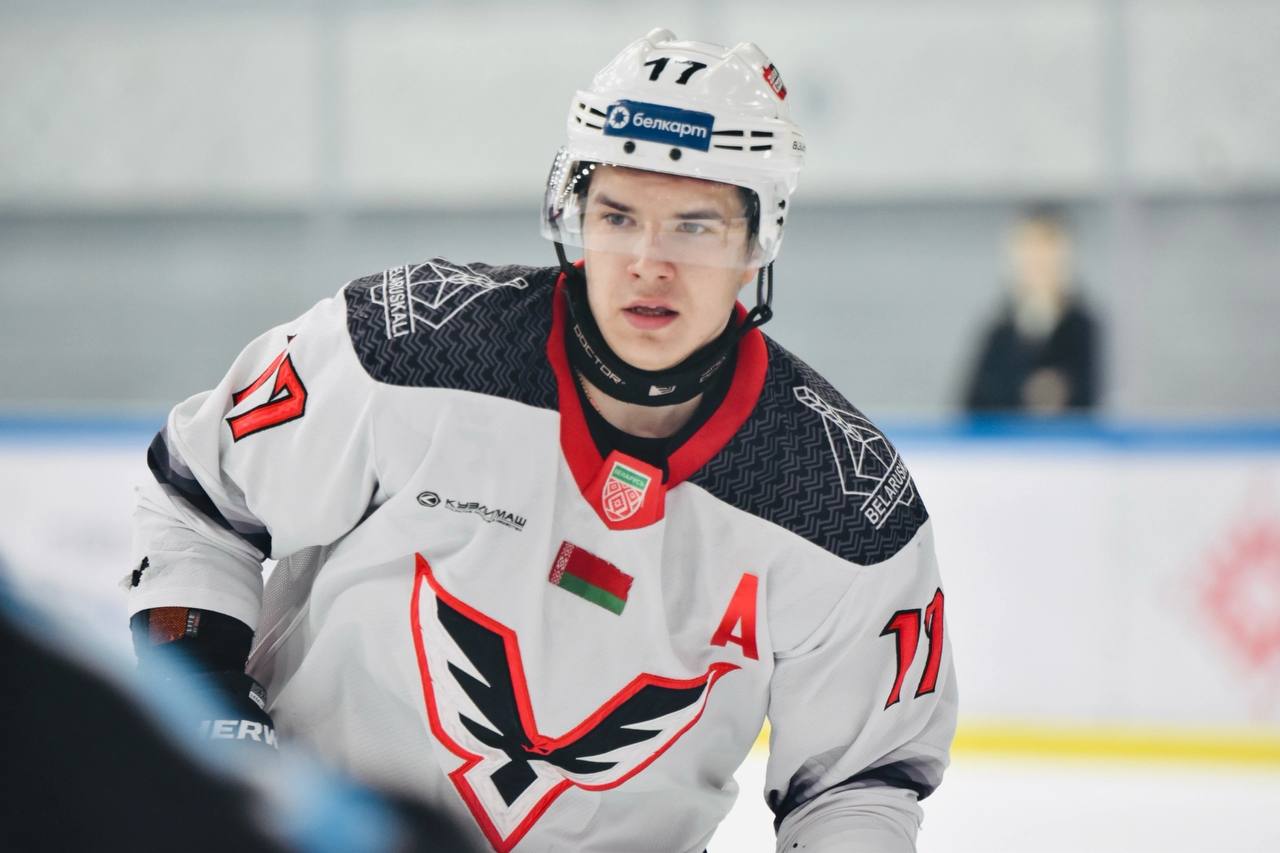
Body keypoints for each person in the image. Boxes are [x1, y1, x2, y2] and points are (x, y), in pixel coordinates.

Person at [127, 29, 956, 853]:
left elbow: (859, 781)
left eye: (694, 227)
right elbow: (198, 503)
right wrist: (207, 713)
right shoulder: (406, 348)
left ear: (756, 242)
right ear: (575, 213)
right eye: (618, 216)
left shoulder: (843, 503)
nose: (648, 261)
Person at [961, 204, 1101, 413]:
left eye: (1048, 247)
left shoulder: (1082, 327)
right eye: (1030, 247)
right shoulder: (999, 329)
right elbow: (971, 404)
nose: (1039, 258)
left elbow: (1086, 399)